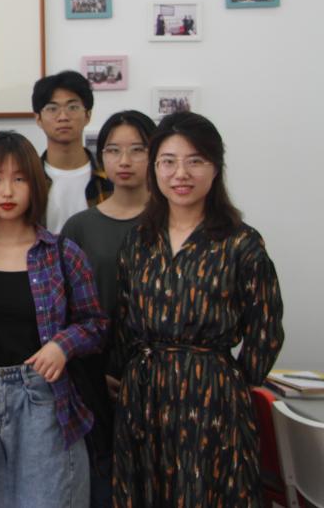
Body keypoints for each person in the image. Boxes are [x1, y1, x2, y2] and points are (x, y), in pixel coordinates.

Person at [111, 112, 284, 506]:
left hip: (212, 398)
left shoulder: (240, 243)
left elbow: (266, 329)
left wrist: (229, 381)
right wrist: (124, 373)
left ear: (215, 167)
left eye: (195, 161)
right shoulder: (139, 240)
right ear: (154, 168)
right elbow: (123, 317)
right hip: (144, 395)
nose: (181, 173)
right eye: (168, 161)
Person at [0, 131, 108, 507]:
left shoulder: (61, 253)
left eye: (19, 179)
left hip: (44, 398)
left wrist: (62, 345)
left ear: (35, 185)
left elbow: (96, 324)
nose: (7, 191)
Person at [60, 110, 157, 508]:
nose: (125, 160)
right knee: (102, 484)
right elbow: (65, 310)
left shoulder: (175, 222)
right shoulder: (80, 226)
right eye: (114, 150)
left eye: (138, 149)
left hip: (161, 378)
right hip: (95, 376)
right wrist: (94, 372)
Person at [31, 70, 112, 233]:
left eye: (73, 107)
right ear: (38, 118)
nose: (63, 117)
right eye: (52, 108)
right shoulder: (29, 178)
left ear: (88, 115)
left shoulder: (109, 176)